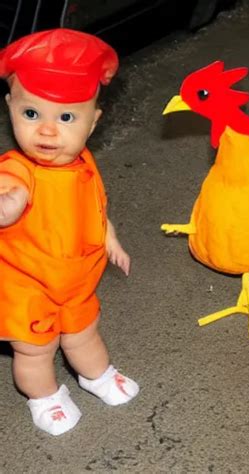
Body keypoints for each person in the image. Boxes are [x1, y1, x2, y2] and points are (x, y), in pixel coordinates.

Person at [0, 29, 139, 436]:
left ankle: (95, 375)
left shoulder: (84, 163)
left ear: (93, 122)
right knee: (35, 350)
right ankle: (44, 396)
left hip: (78, 280)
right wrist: (8, 205)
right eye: (31, 114)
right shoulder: (19, 169)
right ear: (10, 108)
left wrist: (110, 238)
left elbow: (95, 208)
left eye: (65, 118)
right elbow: (11, 194)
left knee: (83, 332)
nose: (46, 131)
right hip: (29, 286)